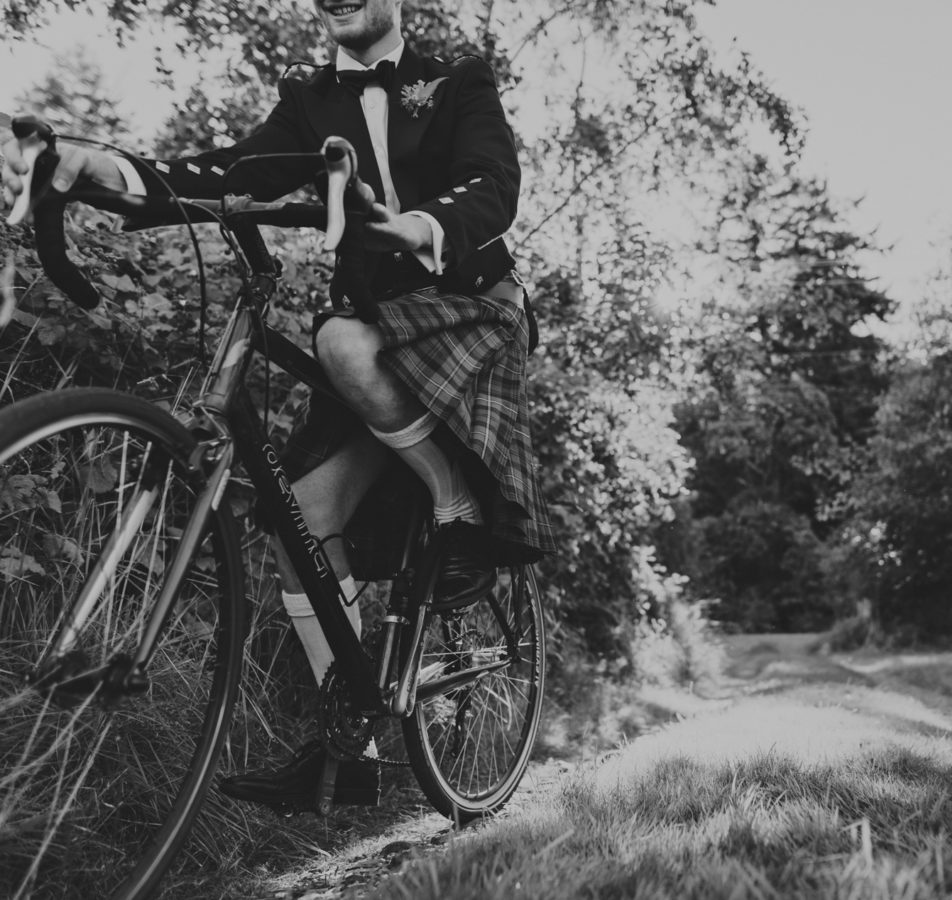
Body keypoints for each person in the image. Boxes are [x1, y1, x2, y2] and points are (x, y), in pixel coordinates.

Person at [1, 0, 556, 807]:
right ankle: (351, 739)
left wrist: (409, 228)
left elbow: (491, 187)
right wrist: (99, 168)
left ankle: (456, 502)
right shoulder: (308, 99)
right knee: (301, 521)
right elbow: (225, 173)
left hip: (465, 311)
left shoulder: (456, 80)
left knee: (337, 343)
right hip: (373, 332)